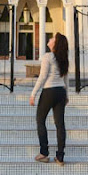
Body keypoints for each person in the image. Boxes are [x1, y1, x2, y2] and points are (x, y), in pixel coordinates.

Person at [29, 32, 69, 166]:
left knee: (40, 120)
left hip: (49, 92)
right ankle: (60, 157)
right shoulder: (64, 58)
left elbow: (42, 76)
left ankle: (44, 153)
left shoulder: (48, 56)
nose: (50, 39)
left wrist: (33, 93)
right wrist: (67, 94)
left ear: (55, 44)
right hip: (61, 92)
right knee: (60, 125)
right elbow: (66, 78)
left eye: (52, 38)